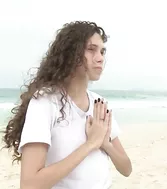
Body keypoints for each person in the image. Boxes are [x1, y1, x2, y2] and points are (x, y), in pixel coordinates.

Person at [2, 21, 132, 189]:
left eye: (102, 51)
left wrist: (104, 143)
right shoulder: (45, 102)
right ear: (71, 53)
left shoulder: (99, 104)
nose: (100, 58)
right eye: (91, 49)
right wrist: (90, 144)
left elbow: (127, 169)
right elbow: (29, 184)